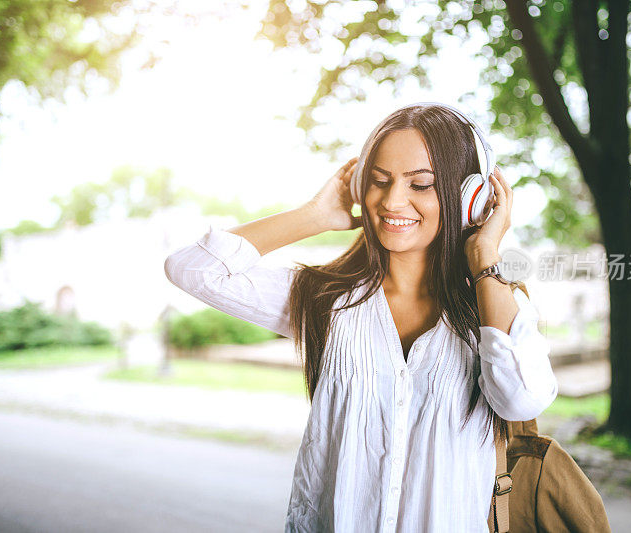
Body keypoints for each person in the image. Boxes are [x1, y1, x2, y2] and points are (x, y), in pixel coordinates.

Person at [164, 102, 558, 532]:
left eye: (421, 184)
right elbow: (192, 269)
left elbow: (521, 398)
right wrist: (314, 216)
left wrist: (484, 254)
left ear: (471, 198)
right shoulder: (327, 300)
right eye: (379, 181)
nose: (392, 201)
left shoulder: (493, 307)